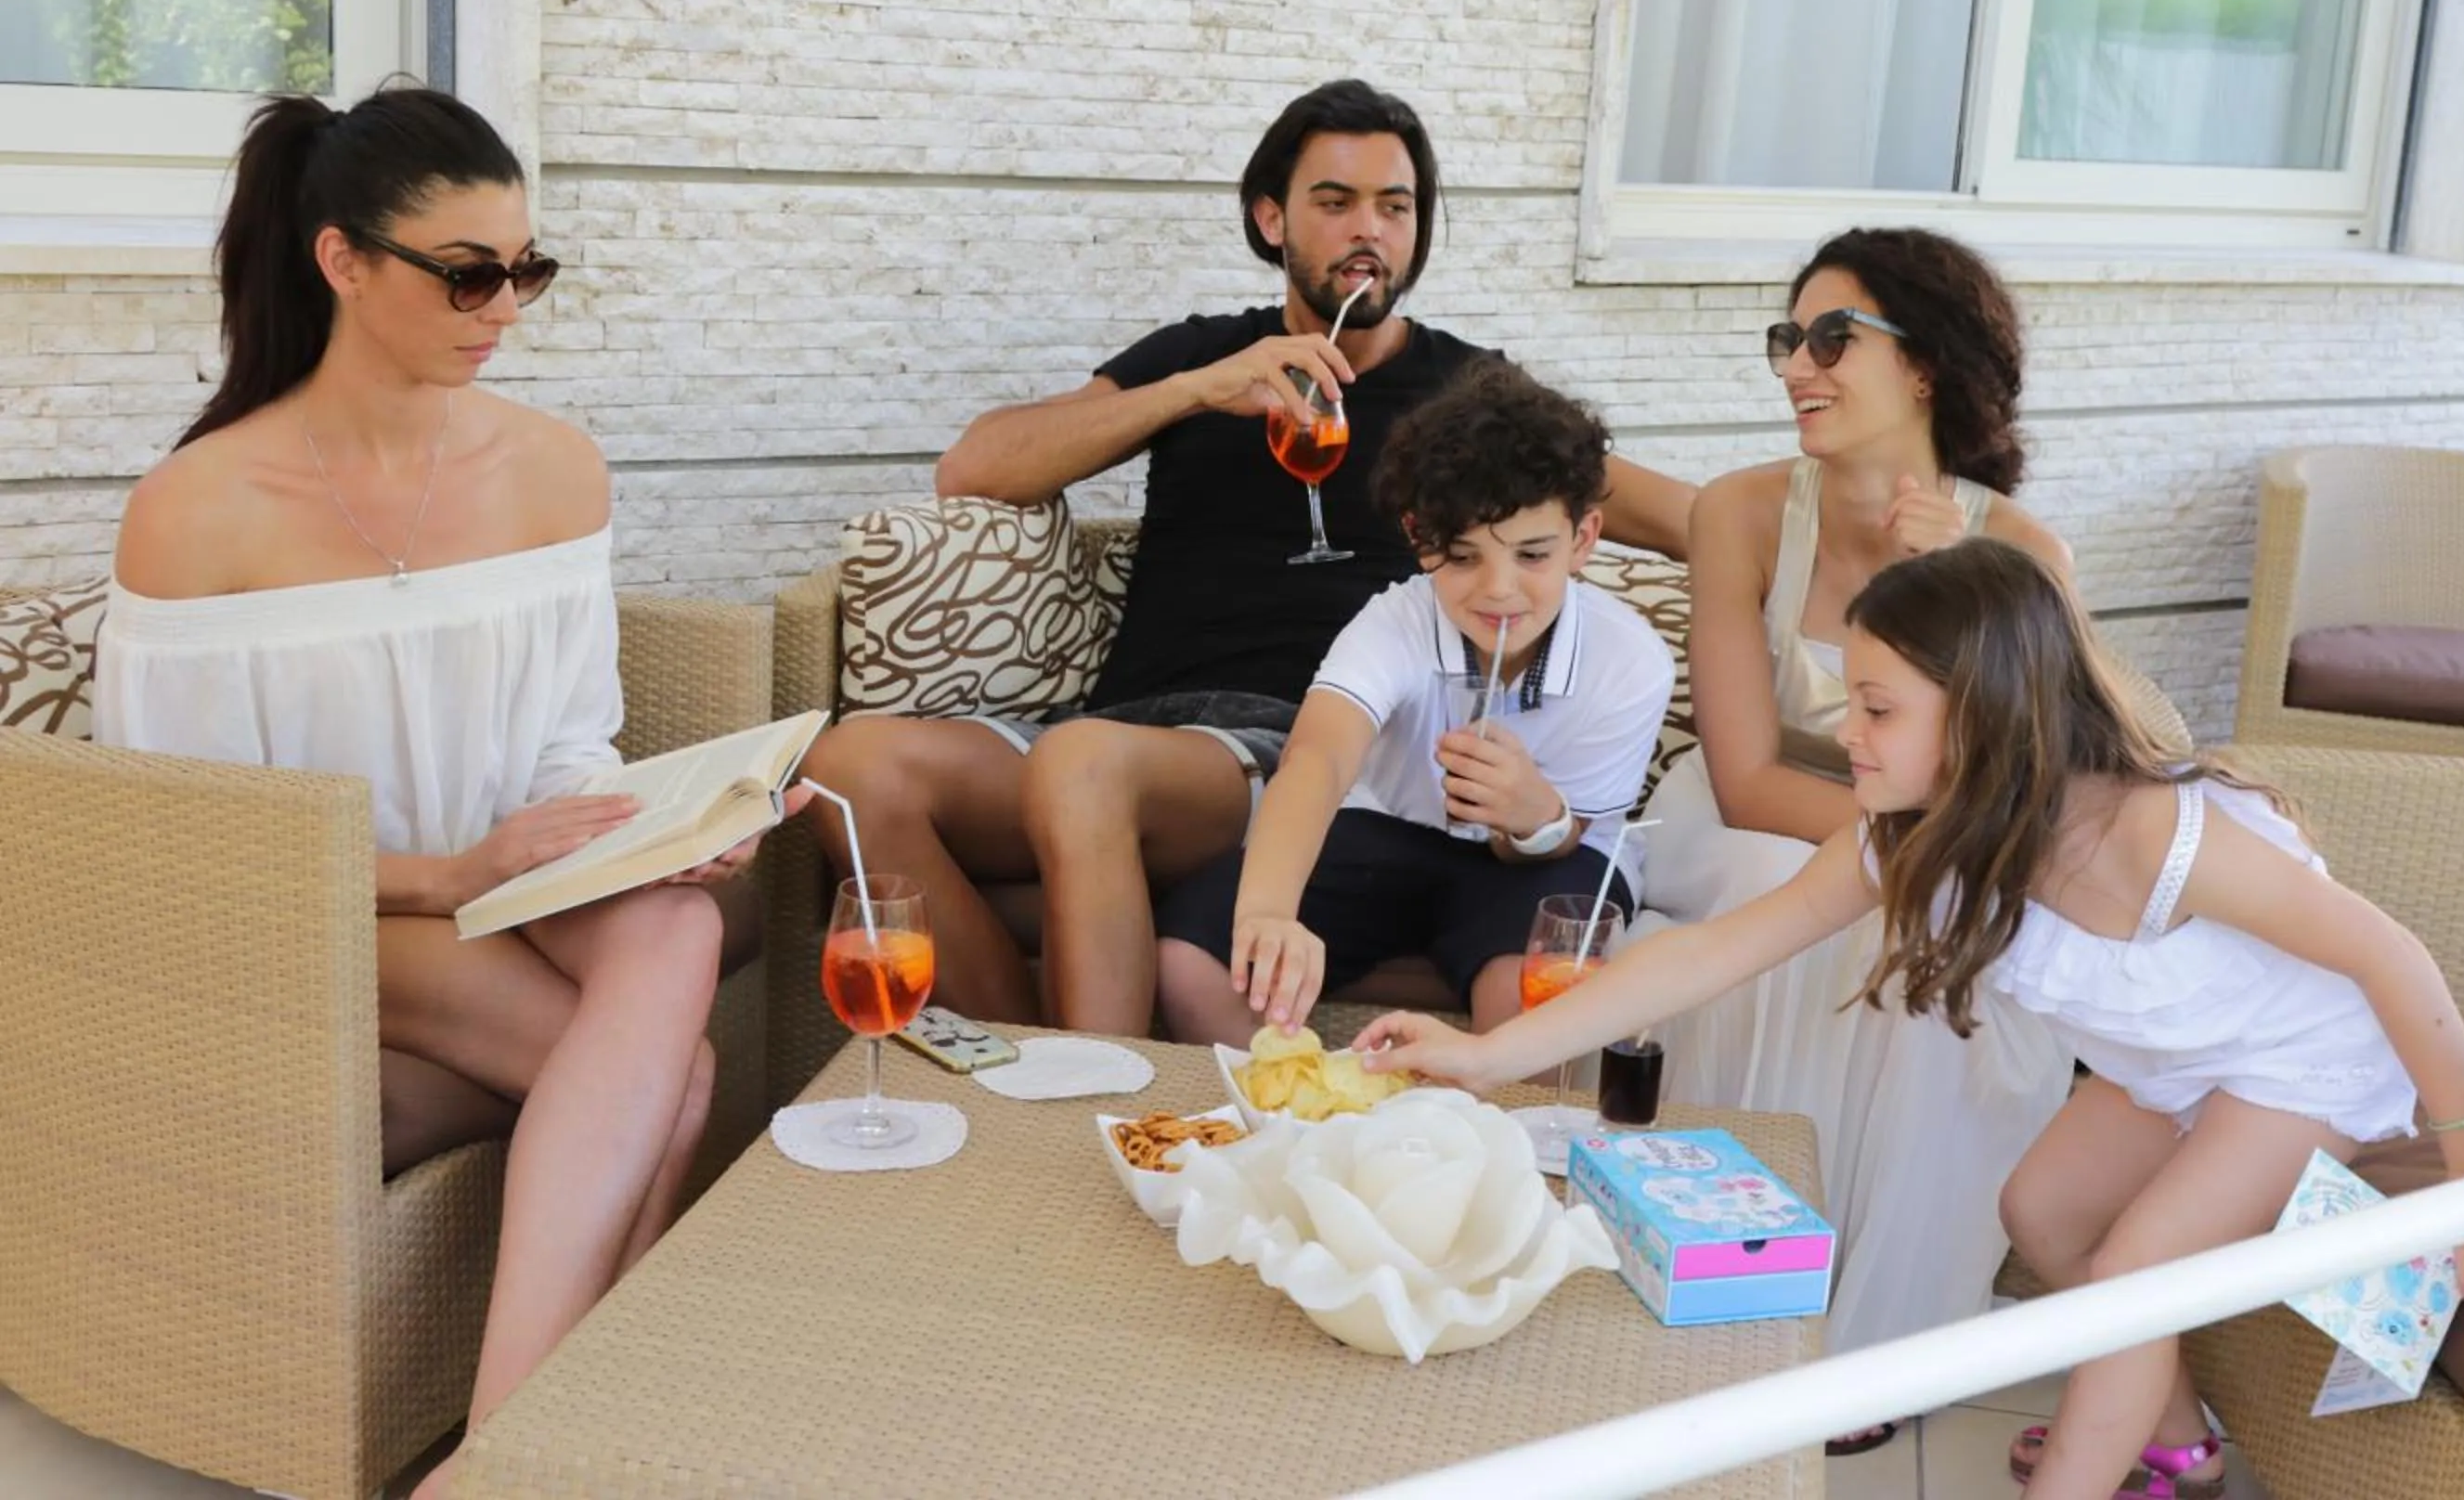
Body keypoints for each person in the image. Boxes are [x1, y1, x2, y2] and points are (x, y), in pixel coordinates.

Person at [1358, 538, 2464, 1500]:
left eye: (1876, 706)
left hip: (2302, 1063)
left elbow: (2383, 951)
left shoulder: (2156, 834)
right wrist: (1483, 1052)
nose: (1844, 729)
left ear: (1988, 717)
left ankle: (2090, 1469)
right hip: (2176, 1068)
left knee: (2133, 1269)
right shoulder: (1909, 834)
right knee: (2040, 1210)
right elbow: (1713, 950)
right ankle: (2181, 1444)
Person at [94, 86, 799, 1498]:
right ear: (342, 261)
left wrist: (640, 838)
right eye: (469, 274)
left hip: (500, 897)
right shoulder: (203, 509)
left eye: (527, 270)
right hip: (314, 927)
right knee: (683, 1078)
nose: (506, 308)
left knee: (673, 931)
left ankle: (500, 1450)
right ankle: (527, 1452)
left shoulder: (553, 470)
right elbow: (184, 851)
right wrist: (453, 877)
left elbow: (561, 748)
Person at [798, 79, 1693, 1034]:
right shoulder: (1206, 357)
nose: (1370, 231)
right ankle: (1035, 1074)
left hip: (1289, 747)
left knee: (1082, 763)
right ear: (1272, 218)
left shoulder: (1469, 397)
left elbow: (1681, 517)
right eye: (1335, 201)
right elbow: (973, 466)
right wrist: (1190, 390)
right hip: (1135, 732)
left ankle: (1089, 1087)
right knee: (847, 766)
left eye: (1396, 207)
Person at [1641, 227, 2074, 1425]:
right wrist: (1908, 861)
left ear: (1924, 365)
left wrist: (1961, 602)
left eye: (1833, 337)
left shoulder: (2021, 553)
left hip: (1928, 842)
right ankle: (1721, 1296)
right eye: (1788, 339)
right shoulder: (1737, 511)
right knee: (1798, 897)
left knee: (1949, 958)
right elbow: (1742, 774)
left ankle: (1864, 1343)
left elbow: (2037, 776)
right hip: (1744, 823)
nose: (1796, 365)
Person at [1153, 361, 1673, 1041]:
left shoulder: (1630, 660)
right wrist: (1268, 914)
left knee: (1538, 1001)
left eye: (1532, 556)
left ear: (1583, 540)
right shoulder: (1393, 622)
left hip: (1552, 859)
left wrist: (1533, 817)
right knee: (1193, 959)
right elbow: (1316, 760)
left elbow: (1569, 838)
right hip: (1390, 836)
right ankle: (1299, 1130)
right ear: (1417, 536)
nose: (1498, 589)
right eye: (1462, 557)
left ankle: (1493, 1142)